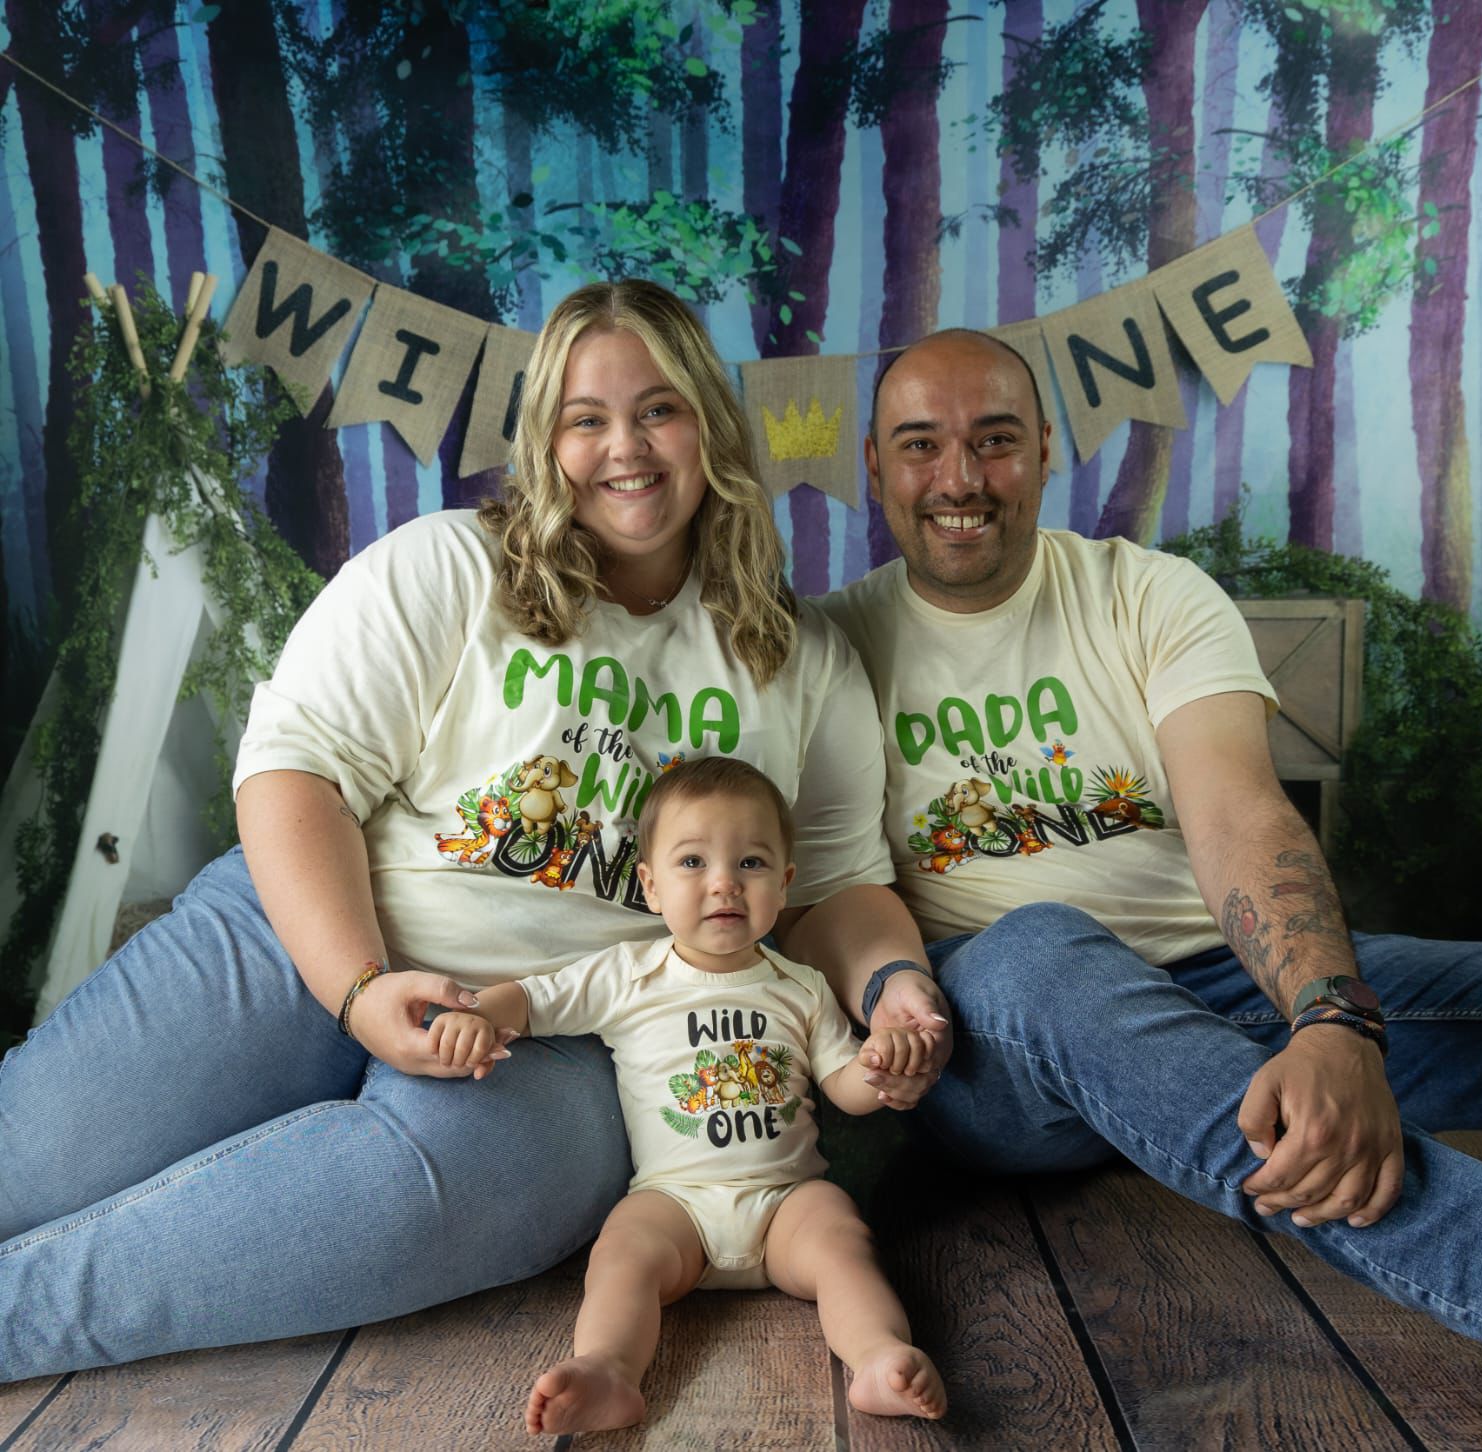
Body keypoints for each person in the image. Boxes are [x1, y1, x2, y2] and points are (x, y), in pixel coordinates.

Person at [0, 280, 946, 1380]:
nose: (624, 448)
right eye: (585, 418)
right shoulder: (449, 566)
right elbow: (294, 770)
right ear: (546, 440)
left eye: (659, 409)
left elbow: (835, 888)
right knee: (40, 1156)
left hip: (562, 1037)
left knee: (435, 1206)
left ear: (712, 427)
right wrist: (356, 987)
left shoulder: (800, 659)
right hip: (303, 927)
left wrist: (896, 990)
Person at [813, 326, 1482, 1387]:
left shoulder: (1150, 595)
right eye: (919, 445)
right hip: (993, 1039)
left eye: (994, 440)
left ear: (1046, 448)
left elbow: (1241, 815)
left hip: (1220, 989)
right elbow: (827, 886)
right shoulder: (827, 648)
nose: (959, 479)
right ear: (873, 463)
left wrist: (1328, 1018)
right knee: (1040, 945)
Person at [430, 757, 947, 1434]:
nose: (725, 883)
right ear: (649, 885)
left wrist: (881, 1069)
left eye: (753, 864)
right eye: (693, 862)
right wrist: (477, 1014)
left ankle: (877, 1358)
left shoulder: (802, 987)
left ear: (785, 884)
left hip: (784, 1202)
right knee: (622, 1250)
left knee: (841, 1237)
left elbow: (844, 1089)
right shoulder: (629, 974)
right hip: (674, 1203)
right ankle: (609, 1367)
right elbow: (532, 999)